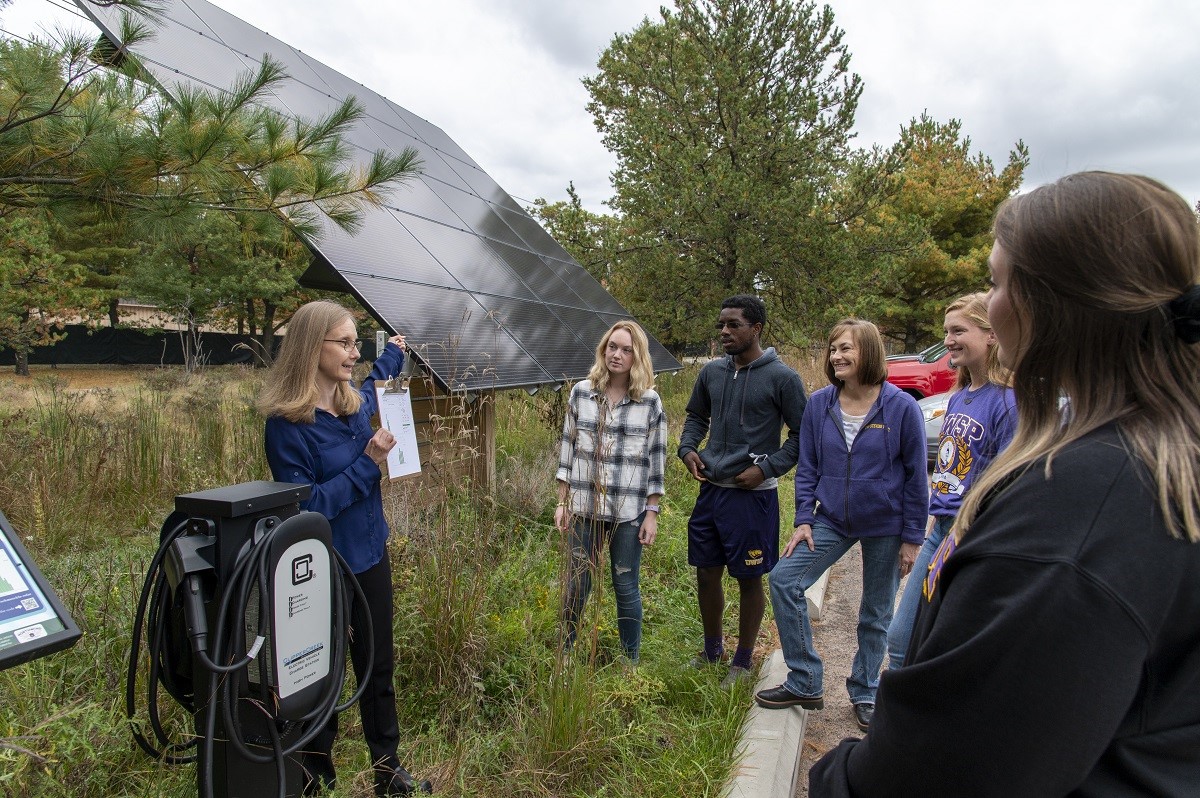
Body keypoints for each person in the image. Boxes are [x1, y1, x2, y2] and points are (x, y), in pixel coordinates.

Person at [810, 172, 1200, 797]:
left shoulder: (1070, 516)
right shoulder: (1168, 461)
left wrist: (833, 777)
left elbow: (937, 770)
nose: (987, 304)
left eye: (995, 282)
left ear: (1049, 304)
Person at [259, 300, 430, 796]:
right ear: (313, 347)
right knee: (320, 677)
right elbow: (304, 506)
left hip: (371, 556)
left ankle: (388, 769)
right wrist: (368, 463)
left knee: (378, 665)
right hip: (323, 571)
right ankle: (316, 778)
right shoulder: (288, 425)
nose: (355, 352)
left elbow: (377, 376)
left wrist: (395, 353)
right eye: (346, 343)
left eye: (357, 342)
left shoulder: (353, 402)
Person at [755, 319, 926, 734]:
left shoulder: (901, 407)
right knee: (783, 580)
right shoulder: (819, 404)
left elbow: (916, 475)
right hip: (831, 518)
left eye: (846, 349)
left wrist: (912, 538)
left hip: (886, 523)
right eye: (833, 350)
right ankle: (805, 680)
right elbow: (808, 466)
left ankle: (865, 691)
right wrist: (804, 520)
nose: (837, 357)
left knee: (875, 611)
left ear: (868, 351)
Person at [678, 294, 808, 688]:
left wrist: (766, 468)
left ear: (756, 328)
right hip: (711, 493)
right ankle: (713, 649)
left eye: (733, 325)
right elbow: (696, 416)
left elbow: (802, 437)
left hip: (753, 497)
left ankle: (743, 659)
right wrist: (687, 449)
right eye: (721, 325)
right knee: (705, 573)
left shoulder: (782, 379)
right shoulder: (712, 373)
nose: (724, 332)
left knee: (749, 578)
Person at [885, 292, 1015, 670]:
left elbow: (1009, 484)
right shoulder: (959, 397)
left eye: (959, 330)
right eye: (946, 331)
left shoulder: (1009, 402)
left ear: (991, 334)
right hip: (940, 532)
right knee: (903, 635)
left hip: (970, 536)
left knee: (928, 639)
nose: (948, 340)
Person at [555, 320, 667, 664]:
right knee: (577, 584)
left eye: (626, 350)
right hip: (584, 508)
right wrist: (562, 501)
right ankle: (564, 653)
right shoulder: (581, 392)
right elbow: (567, 449)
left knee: (625, 585)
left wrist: (652, 513)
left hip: (628, 513)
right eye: (612, 347)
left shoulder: (649, 402)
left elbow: (656, 460)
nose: (616, 355)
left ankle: (629, 662)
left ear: (638, 357)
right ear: (603, 350)